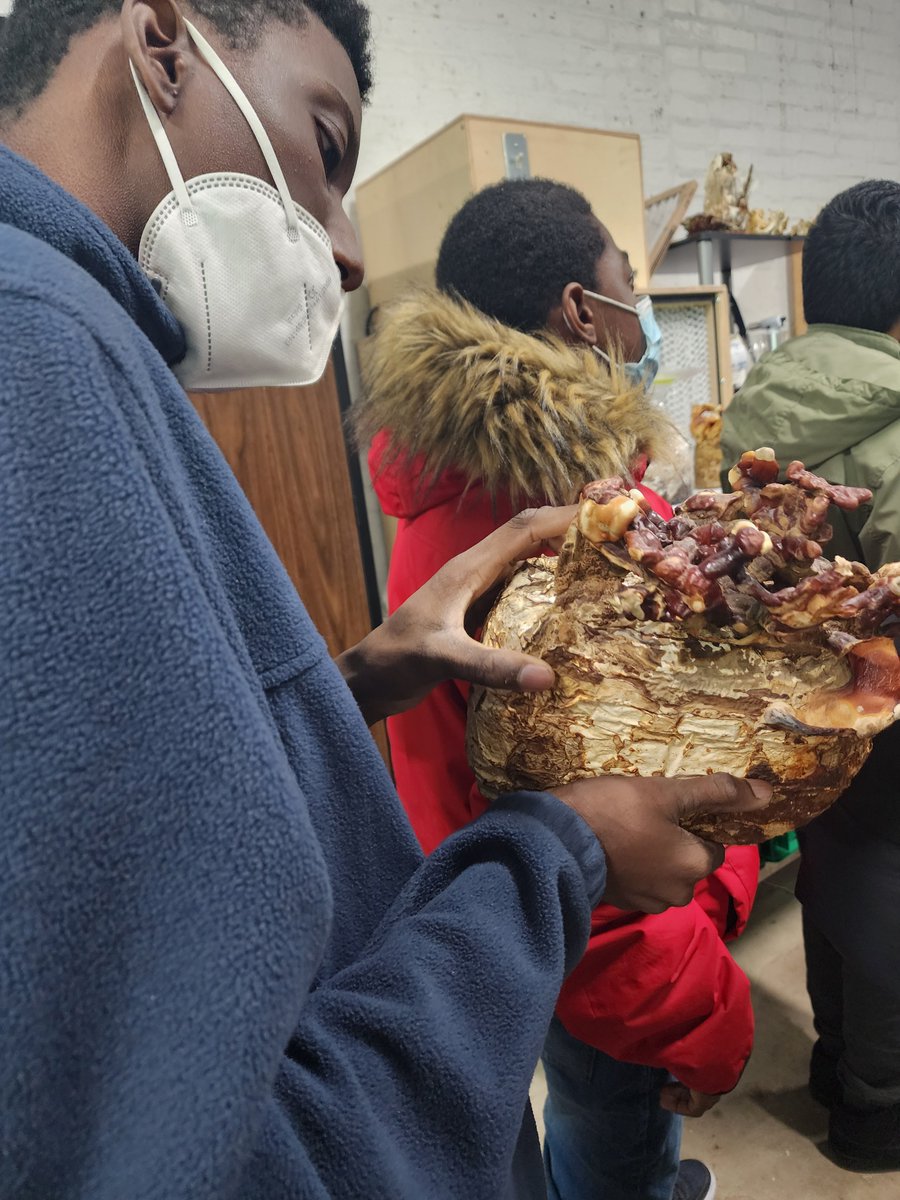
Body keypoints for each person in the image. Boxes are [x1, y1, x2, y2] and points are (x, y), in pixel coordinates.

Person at [0, 3, 771, 1198]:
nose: (348, 248)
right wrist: (561, 859)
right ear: (162, 46)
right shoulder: (34, 352)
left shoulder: (87, 337)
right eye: (327, 147)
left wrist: (345, 685)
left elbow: (142, 793)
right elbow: (175, 1140)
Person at [357, 179, 760, 1200]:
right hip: (595, 942)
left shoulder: (481, 489)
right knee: (614, 1122)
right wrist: (709, 1011)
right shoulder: (549, 531)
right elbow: (605, 844)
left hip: (519, 918)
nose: (643, 300)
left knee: (584, 1104)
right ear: (584, 309)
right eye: (628, 273)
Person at [723, 179, 900, 1173]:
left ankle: (842, 1065)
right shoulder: (894, 418)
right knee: (884, 874)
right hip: (882, 696)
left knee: (837, 860)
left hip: (785, 695)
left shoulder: (763, 396)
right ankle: (878, 1106)